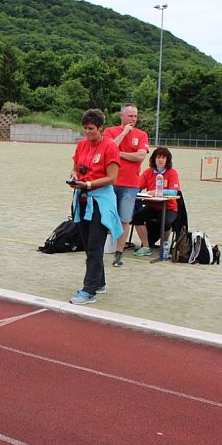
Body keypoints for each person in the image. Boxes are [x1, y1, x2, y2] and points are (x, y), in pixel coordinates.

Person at [67, 108, 122, 305]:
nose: (87, 132)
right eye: (85, 128)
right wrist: (74, 176)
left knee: (95, 245)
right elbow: (75, 167)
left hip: (100, 201)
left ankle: (89, 291)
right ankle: (99, 282)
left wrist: (89, 184)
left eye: (91, 128)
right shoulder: (82, 145)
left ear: (100, 127)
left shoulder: (110, 147)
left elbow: (112, 177)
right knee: (87, 243)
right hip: (81, 198)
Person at [103, 103, 149, 267]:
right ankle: (101, 248)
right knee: (106, 217)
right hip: (110, 182)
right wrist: (124, 133)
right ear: (122, 116)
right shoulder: (110, 131)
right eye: (130, 116)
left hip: (130, 185)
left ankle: (119, 253)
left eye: (136, 116)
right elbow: (108, 148)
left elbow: (140, 156)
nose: (134, 119)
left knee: (125, 219)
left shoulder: (142, 135)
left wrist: (120, 154)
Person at [131, 147, 181, 256]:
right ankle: (146, 246)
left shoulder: (172, 173)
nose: (161, 160)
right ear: (154, 159)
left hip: (169, 207)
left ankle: (165, 244)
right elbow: (138, 186)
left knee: (166, 221)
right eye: (158, 157)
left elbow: (175, 192)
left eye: (163, 157)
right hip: (152, 206)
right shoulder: (148, 172)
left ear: (167, 160)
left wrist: (159, 192)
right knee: (137, 217)